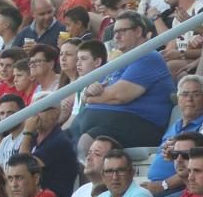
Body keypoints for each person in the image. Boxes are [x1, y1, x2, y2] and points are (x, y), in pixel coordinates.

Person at [72, 12, 173, 150]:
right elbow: (87, 93)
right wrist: (88, 94)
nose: (116, 37)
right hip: (108, 123)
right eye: (114, 32)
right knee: (62, 143)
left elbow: (119, 96)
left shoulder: (148, 57)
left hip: (142, 125)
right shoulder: (119, 62)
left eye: (122, 31)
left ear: (138, 31)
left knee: (86, 143)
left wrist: (90, 99)